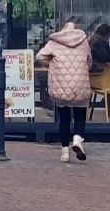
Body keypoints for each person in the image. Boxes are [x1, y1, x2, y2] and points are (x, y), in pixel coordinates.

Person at [37, 21, 92, 163]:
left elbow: (40, 57)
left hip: (61, 86)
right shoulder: (83, 41)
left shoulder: (55, 42)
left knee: (64, 118)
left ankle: (65, 153)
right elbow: (89, 61)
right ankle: (77, 139)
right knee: (80, 115)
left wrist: (53, 64)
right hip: (80, 85)